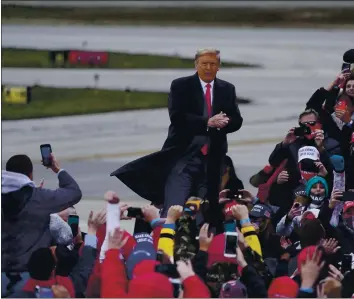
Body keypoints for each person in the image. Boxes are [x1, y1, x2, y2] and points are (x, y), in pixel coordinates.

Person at [111, 48, 243, 232]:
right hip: (184, 158)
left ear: (218, 67)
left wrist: (225, 122)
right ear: (196, 64)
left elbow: (237, 120)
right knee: (174, 207)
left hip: (213, 162)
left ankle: (196, 252)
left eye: (212, 64)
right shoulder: (181, 86)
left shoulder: (227, 89)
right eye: (204, 64)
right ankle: (163, 248)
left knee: (205, 215)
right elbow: (178, 117)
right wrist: (207, 122)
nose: (208, 67)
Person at [1, 154, 82, 297]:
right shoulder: (40, 198)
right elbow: (74, 192)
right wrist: (57, 169)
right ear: (30, 175)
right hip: (31, 278)